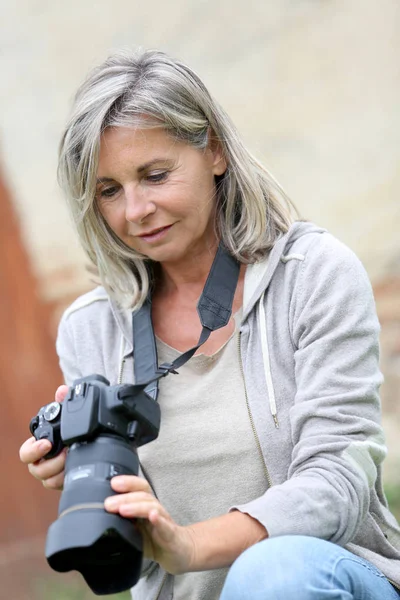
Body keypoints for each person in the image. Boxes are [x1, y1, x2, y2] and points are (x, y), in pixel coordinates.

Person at [19, 49, 400, 600]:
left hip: (326, 579)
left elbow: (336, 484)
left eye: (155, 175)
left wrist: (187, 545)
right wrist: (80, 475)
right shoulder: (90, 329)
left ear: (215, 152)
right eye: (109, 190)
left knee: (274, 576)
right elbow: (127, 539)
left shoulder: (312, 275)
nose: (135, 210)